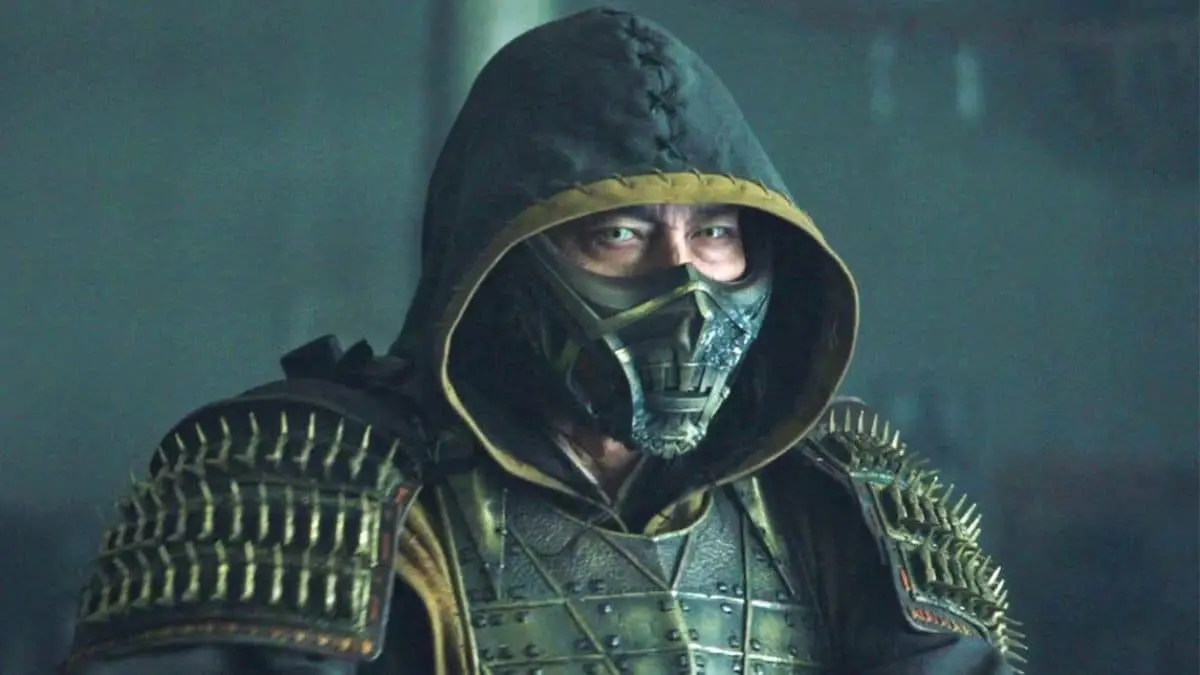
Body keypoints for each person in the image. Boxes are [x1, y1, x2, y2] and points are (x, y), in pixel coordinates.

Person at [59, 8, 1026, 675]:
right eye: (620, 234)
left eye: (715, 233)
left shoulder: (834, 502)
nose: (686, 285)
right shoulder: (300, 483)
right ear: (506, 262)